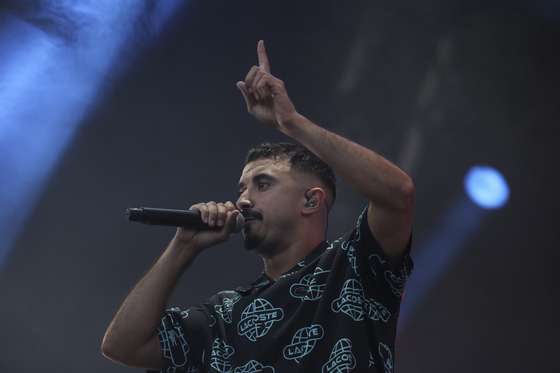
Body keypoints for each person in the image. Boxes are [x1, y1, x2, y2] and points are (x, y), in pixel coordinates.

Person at [101, 40, 415, 373]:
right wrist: (183, 247)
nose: (243, 200)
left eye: (263, 184)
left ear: (311, 200)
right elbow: (123, 346)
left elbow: (398, 193)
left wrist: (291, 123)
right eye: (242, 189)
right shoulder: (223, 315)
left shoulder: (354, 266)